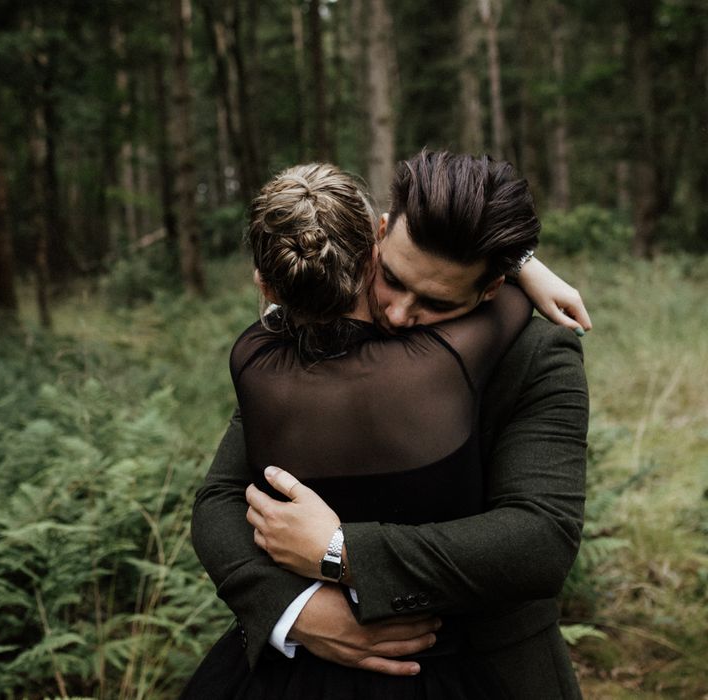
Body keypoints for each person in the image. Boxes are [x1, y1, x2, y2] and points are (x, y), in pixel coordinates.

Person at [189, 153, 589, 698]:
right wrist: (296, 610)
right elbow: (221, 498)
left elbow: (540, 538)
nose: (399, 313)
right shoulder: (308, 332)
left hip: (486, 669)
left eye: (435, 302)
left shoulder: (536, 354)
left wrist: (339, 553)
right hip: (300, 670)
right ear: (377, 236)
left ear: (492, 289)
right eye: (393, 279)